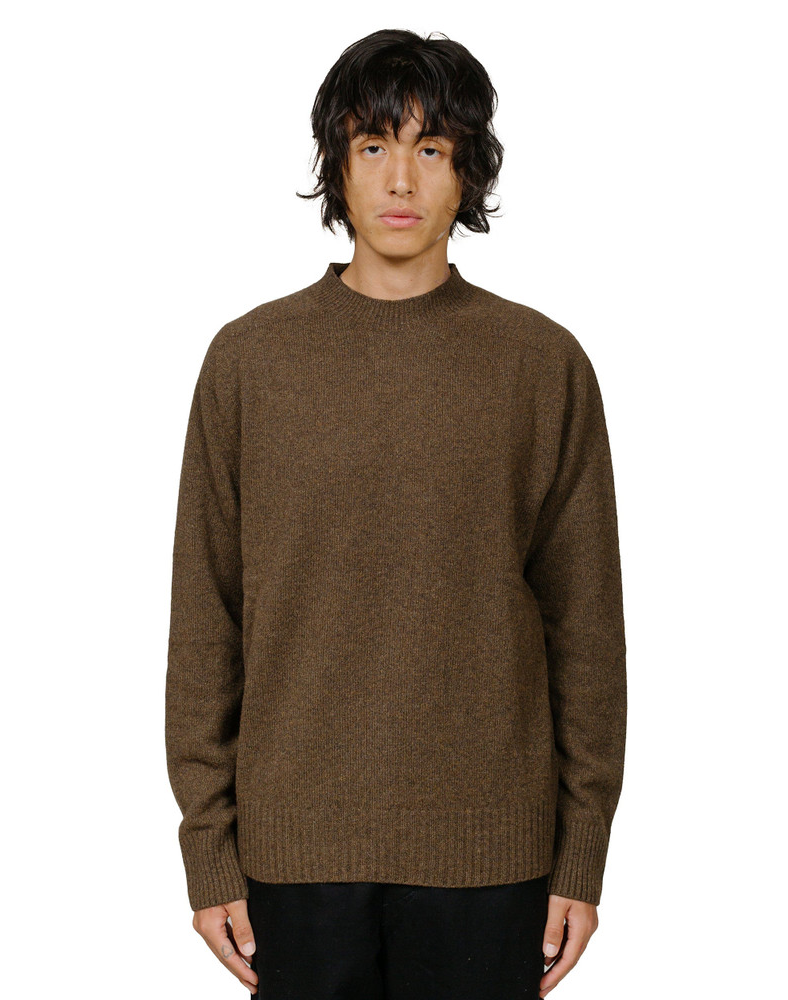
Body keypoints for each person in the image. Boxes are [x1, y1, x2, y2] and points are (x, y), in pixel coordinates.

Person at [165, 27, 626, 1000]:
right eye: (373, 145)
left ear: (469, 170)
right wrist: (208, 848)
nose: (401, 179)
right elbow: (207, 617)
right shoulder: (249, 362)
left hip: (491, 858)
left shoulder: (541, 366)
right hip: (295, 854)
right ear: (336, 165)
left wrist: (581, 853)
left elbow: (586, 630)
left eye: (432, 147)